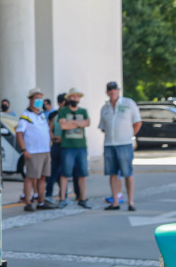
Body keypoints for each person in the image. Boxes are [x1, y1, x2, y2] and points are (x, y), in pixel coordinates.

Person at [99, 81, 141, 211]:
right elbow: (102, 127)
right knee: (112, 173)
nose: (112, 92)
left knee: (127, 172)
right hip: (109, 144)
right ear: (107, 92)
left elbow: (137, 122)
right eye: (110, 90)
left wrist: (130, 135)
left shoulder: (128, 103)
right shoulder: (104, 108)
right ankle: (115, 201)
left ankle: (130, 202)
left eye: (114, 90)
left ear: (118, 90)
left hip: (125, 144)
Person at [15, 89, 53, 211]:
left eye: (41, 99)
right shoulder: (26, 115)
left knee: (43, 177)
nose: (39, 101)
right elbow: (19, 133)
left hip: (45, 151)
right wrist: (24, 149)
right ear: (31, 100)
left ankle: (41, 201)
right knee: (30, 177)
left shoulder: (41, 115)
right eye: (37, 98)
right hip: (33, 152)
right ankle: (28, 202)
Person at [58, 88, 91, 208]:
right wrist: (79, 122)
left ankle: (83, 198)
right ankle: (62, 198)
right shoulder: (63, 111)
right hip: (67, 146)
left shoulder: (83, 111)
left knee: (83, 173)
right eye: (72, 96)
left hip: (81, 146)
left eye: (77, 97)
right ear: (68, 98)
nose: (75, 99)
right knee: (65, 173)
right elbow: (63, 125)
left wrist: (71, 122)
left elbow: (87, 123)